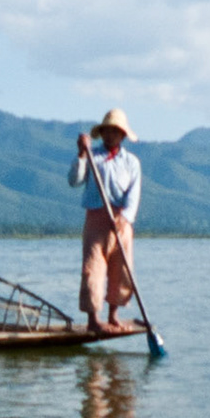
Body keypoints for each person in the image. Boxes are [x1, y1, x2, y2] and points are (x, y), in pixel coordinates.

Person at [69, 109, 142, 336]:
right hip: (96, 219)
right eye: (107, 131)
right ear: (102, 134)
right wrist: (81, 155)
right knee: (93, 269)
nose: (111, 136)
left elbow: (134, 193)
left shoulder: (131, 162)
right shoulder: (94, 156)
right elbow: (74, 181)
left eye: (115, 132)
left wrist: (124, 217)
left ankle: (113, 315)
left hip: (121, 221)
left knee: (121, 269)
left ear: (122, 135)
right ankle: (94, 319)